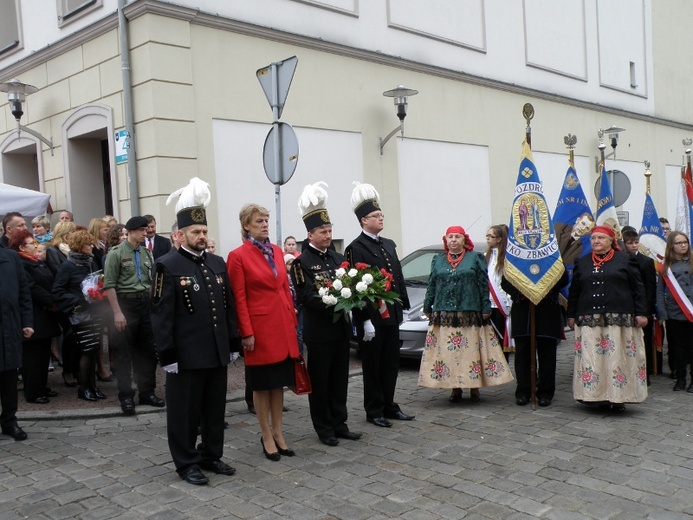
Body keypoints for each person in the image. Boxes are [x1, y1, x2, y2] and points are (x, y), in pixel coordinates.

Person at [151, 182, 239, 485]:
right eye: (194, 232)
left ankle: (211, 454)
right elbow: (161, 315)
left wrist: (233, 341)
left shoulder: (217, 262)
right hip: (186, 355)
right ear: (180, 235)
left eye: (203, 231)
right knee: (184, 413)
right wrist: (168, 354)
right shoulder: (167, 265)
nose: (201, 236)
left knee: (214, 408)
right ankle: (186, 462)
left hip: (215, 351)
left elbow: (227, 305)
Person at [226, 203, 300, 461]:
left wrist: (292, 320)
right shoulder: (238, 256)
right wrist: (245, 331)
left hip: (282, 326)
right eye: (259, 221)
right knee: (261, 384)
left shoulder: (277, 251)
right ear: (247, 225)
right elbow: (239, 297)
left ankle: (279, 432)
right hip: (258, 330)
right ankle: (266, 434)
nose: (265, 224)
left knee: (278, 383)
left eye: (267, 220)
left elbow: (284, 289)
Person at [292, 182, 361, 446]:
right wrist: (337, 303)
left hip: (340, 330)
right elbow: (306, 296)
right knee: (320, 383)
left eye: (330, 230)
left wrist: (352, 300)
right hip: (319, 332)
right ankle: (323, 427)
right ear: (310, 234)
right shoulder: (301, 263)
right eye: (323, 231)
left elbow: (351, 287)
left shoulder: (336, 258)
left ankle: (339, 422)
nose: (328, 235)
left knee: (339, 380)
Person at [345, 182, 413, 427]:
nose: (381, 217)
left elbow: (397, 275)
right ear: (364, 220)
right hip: (372, 317)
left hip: (391, 314)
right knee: (373, 365)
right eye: (376, 215)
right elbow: (354, 288)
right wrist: (363, 319)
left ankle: (389, 404)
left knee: (391, 362)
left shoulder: (389, 244)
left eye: (381, 214)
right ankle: (374, 410)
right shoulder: (355, 248)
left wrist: (403, 305)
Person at [418, 226, 514, 402]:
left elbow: (483, 285)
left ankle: (474, 387)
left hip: (470, 312)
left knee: (470, 352)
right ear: (445, 240)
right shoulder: (438, 260)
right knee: (450, 353)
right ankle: (455, 388)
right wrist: (427, 306)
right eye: (450, 237)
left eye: (457, 237)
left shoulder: (475, 258)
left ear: (464, 240)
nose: (453, 240)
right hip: (445, 313)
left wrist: (485, 308)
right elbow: (432, 284)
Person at [567, 225, 648, 411]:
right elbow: (575, 291)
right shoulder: (583, 262)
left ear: (611, 241)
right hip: (589, 317)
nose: (596, 241)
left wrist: (641, 313)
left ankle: (618, 397)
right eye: (594, 238)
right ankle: (592, 395)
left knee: (616, 358)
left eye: (601, 238)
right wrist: (571, 314)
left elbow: (638, 288)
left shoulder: (625, 260)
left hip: (618, 319)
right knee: (592, 358)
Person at [103, 216, 164, 415]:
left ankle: (147, 392)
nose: (144, 233)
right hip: (125, 304)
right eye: (141, 230)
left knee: (147, 351)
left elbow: (149, 283)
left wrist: (153, 307)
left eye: (145, 230)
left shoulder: (147, 253)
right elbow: (109, 285)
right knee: (123, 353)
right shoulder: (116, 254)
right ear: (129, 232)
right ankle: (126, 397)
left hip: (144, 304)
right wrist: (117, 312)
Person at [52, 230, 106, 402]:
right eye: (88, 244)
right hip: (80, 314)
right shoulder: (68, 266)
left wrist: (98, 291)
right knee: (87, 350)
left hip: (95, 311)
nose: (92, 246)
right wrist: (78, 300)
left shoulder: (91, 263)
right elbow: (57, 291)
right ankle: (85, 388)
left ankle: (92, 387)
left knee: (93, 349)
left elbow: (98, 281)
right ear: (79, 246)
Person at [502, 269, 568, 407]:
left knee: (547, 353)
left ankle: (545, 392)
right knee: (522, 353)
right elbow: (506, 281)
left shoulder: (551, 252)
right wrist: (522, 292)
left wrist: (542, 289)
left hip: (547, 308)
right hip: (523, 308)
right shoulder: (517, 253)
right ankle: (524, 391)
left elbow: (563, 278)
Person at [9, 230, 61, 404]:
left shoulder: (35, 261)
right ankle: (32, 391)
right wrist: (50, 301)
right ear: (22, 247)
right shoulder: (21, 263)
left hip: (45, 315)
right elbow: (31, 288)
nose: (36, 246)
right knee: (33, 357)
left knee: (43, 354)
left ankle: (42, 387)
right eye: (32, 243)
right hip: (34, 315)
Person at [0, 245, 33, 440]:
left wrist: (27, 322)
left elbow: (24, 293)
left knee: (9, 378)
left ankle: (9, 421)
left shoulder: (10, 257)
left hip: (9, 327)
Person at [656, 231, 693, 392]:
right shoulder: (665, 266)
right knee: (678, 347)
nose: (683, 245)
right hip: (675, 311)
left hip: (691, 309)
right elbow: (659, 291)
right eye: (679, 243)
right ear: (672, 245)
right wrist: (662, 313)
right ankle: (680, 378)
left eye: (685, 242)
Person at [622, 226, 657, 384]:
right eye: (630, 243)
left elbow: (650, 288)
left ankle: (646, 373)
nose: (634, 245)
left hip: (642, 308)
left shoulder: (646, 261)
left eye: (636, 242)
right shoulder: (621, 260)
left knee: (644, 343)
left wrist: (647, 310)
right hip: (626, 306)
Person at [485, 224, 513, 363]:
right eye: (487, 236)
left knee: (502, 336)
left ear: (500, 239)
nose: (488, 239)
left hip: (502, 302)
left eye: (492, 236)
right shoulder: (486, 256)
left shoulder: (507, 258)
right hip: (490, 303)